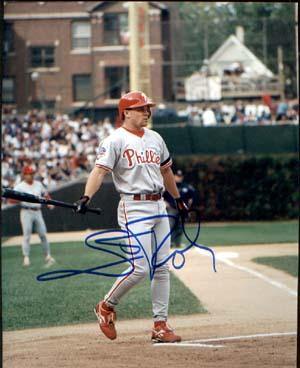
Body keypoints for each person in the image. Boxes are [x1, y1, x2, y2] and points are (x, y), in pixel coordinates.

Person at [74, 91, 189, 343]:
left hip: (159, 204)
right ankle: (106, 305)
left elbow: (166, 171)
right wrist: (86, 197)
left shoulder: (156, 138)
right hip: (133, 206)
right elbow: (98, 172)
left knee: (161, 268)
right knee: (140, 267)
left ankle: (160, 325)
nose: (147, 112)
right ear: (126, 112)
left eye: (148, 108)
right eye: (141, 108)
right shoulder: (114, 140)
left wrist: (177, 199)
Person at [13, 166, 56, 267]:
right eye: (29, 174)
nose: (31, 175)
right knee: (27, 235)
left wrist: (49, 202)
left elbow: (45, 194)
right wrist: (19, 198)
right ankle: (26, 257)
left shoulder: (38, 184)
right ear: (24, 175)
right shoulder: (19, 186)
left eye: (32, 174)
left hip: (37, 211)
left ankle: (48, 256)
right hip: (26, 211)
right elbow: (11, 200)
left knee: (43, 234)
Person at [163, 170, 197, 248]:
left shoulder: (186, 187)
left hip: (182, 209)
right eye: (177, 176)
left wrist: (189, 204)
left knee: (180, 226)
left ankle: (177, 243)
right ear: (174, 176)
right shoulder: (168, 186)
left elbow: (193, 195)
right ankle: (169, 243)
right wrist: (165, 202)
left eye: (180, 176)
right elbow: (161, 195)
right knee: (170, 226)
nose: (179, 178)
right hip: (172, 208)